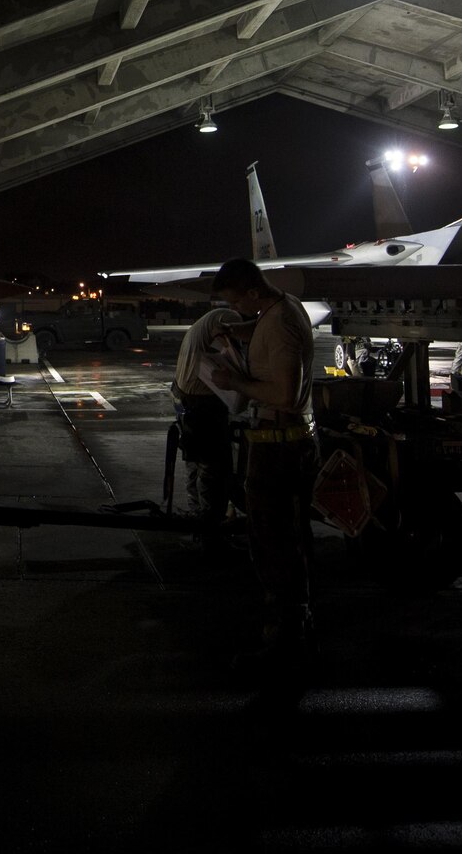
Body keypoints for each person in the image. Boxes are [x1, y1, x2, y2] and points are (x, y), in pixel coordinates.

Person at [206, 258, 318, 672]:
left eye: (237, 303)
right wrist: (236, 331)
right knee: (289, 540)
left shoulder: (281, 321)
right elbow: (265, 328)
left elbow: (285, 394)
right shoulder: (284, 308)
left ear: (253, 292)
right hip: (287, 442)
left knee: (274, 544)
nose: (236, 311)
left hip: (279, 446)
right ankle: (297, 630)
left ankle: (285, 643)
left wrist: (233, 382)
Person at [173, 306, 245, 538]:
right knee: (214, 468)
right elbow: (223, 344)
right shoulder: (229, 316)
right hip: (203, 403)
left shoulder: (203, 321)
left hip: (185, 397)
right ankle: (211, 530)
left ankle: (198, 520)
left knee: (195, 462)